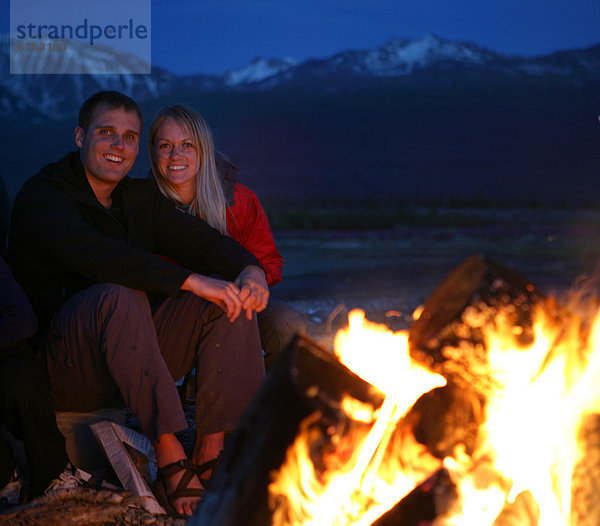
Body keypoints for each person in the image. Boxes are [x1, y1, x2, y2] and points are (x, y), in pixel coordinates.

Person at [7, 91, 268, 518]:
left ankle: (211, 447)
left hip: (131, 357)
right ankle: (169, 456)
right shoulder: (43, 196)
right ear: (79, 136)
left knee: (225, 297)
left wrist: (249, 269)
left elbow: (198, 240)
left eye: (130, 137)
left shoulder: (138, 197)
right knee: (119, 290)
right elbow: (97, 254)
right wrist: (190, 281)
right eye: (106, 132)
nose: (119, 146)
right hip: (65, 367)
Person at [148, 104, 306, 370]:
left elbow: (267, 260)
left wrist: (250, 283)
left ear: (204, 149)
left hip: (234, 300)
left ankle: (267, 399)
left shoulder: (239, 200)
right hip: (170, 310)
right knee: (220, 309)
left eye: (187, 144)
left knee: (287, 323)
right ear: (153, 152)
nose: (176, 154)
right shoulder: (142, 205)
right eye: (165, 146)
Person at [0, 256, 80, 505]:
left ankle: (52, 475)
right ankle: (5, 480)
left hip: (6, 354)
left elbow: (23, 319)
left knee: (23, 378)